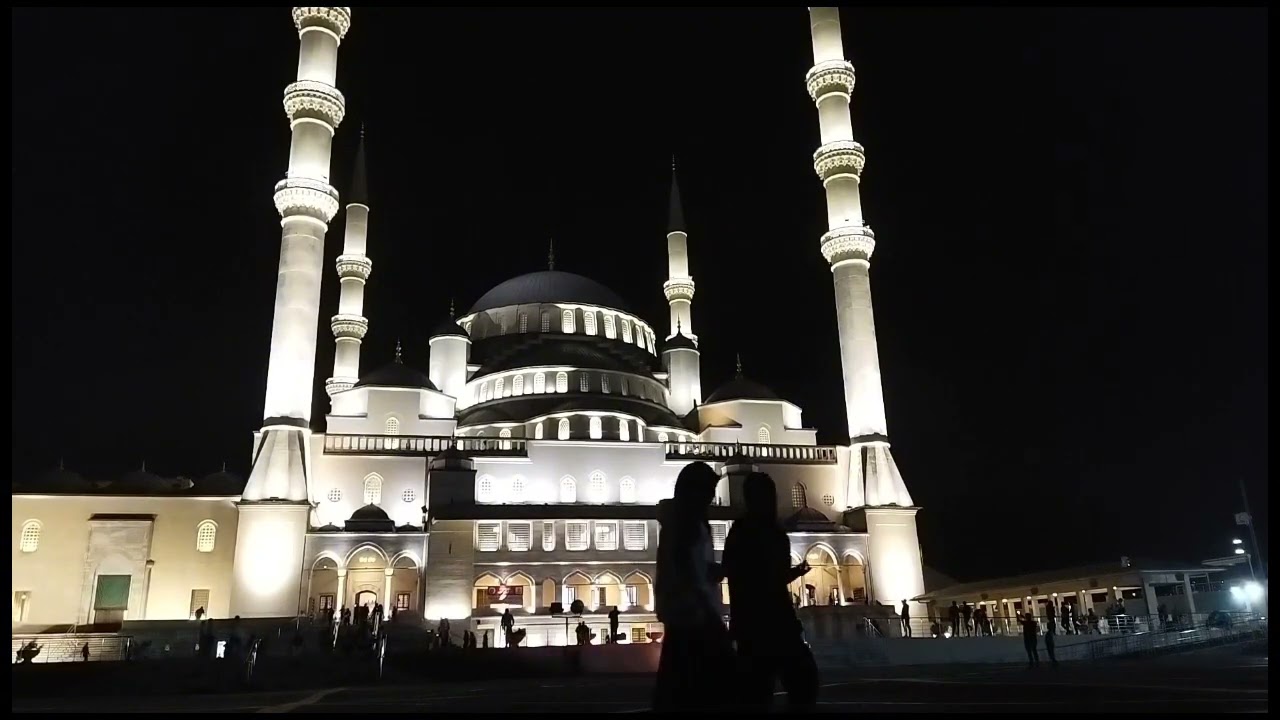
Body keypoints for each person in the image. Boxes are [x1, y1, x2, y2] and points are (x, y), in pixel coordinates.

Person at [723, 472, 813, 710]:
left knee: (757, 692)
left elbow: (738, 573)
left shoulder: (740, 532)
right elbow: (769, 579)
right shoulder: (770, 533)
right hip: (773, 624)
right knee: (800, 683)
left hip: (750, 626)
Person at [651, 462, 735, 712]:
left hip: (691, 613)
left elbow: (696, 567)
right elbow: (685, 570)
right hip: (692, 614)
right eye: (706, 491)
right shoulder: (684, 525)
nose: (710, 498)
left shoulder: (688, 523)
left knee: (681, 685)